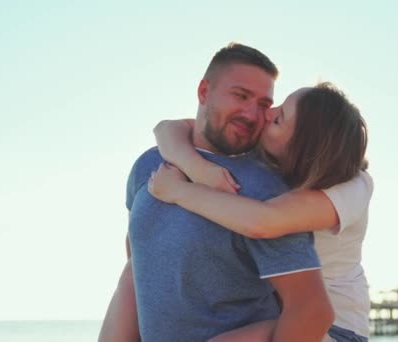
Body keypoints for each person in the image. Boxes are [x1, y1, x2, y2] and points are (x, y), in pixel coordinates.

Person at [98, 42, 334, 342]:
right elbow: (137, 268)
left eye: (264, 104)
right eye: (241, 96)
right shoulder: (148, 165)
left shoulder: (268, 191)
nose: (251, 114)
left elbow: (311, 309)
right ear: (203, 92)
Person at [148, 82, 373, 342]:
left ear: (302, 148)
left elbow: (265, 221)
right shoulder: (267, 160)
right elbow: (168, 128)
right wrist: (195, 166)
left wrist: (179, 191)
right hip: (272, 312)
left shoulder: (353, 187)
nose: (266, 113)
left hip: (335, 329)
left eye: (278, 118)